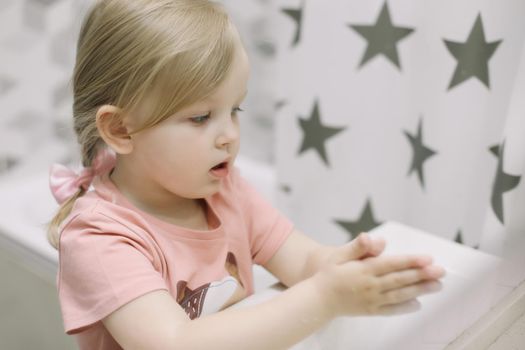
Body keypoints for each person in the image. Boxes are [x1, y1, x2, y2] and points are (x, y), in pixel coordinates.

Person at [47, 0, 445, 349]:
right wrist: (325, 299)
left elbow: (302, 259)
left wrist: (341, 267)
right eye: (201, 117)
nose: (230, 136)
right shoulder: (99, 238)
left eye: (236, 110)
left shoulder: (226, 189)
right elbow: (174, 343)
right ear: (120, 130)